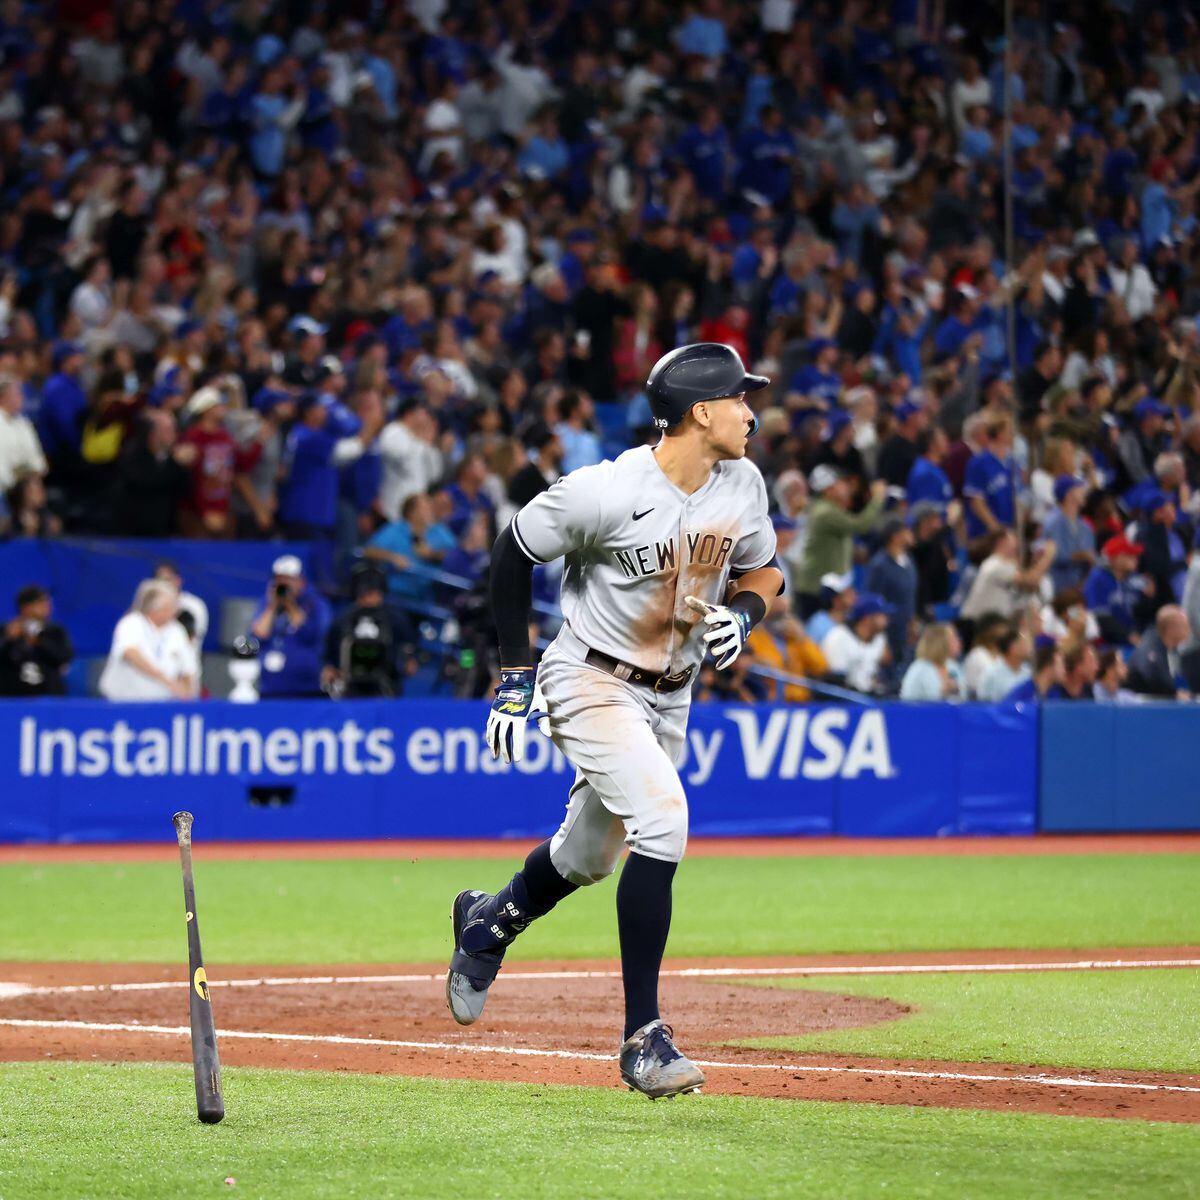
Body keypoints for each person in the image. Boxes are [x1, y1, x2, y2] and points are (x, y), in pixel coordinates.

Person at [445, 343, 783, 1100]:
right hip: (591, 675)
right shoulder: (607, 489)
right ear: (701, 412)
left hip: (672, 691)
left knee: (590, 856)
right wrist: (512, 674)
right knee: (664, 821)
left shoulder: (743, 483)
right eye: (738, 399)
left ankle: (488, 922)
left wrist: (746, 612)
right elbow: (512, 552)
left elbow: (766, 569)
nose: (750, 412)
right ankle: (644, 1039)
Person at [794, 464, 887, 617]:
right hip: (815, 588)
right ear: (828, 488)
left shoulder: (829, 508)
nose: (846, 487)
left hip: (823, 585)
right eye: (840, 483)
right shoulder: (825, 511)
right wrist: (877, 499)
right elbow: (861, 525)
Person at [98, 579, 198, 701]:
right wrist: (165, 680)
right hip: (124, 702)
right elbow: (131, 653)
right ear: (155, 608)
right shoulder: (131, 623)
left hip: (164, 703)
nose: (175, 611)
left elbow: (188, 667)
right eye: (171, 606)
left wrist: (187, 692)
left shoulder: (177, 630)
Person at [248, 555, 331, 699]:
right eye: (279, 579)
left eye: (288, 579)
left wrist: (290, 605)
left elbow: (311, 634)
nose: (283, 584)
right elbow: (256, 638)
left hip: (307, 688)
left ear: (301, 581)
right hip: (270, 687)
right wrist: (272, 607)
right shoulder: (267, 603)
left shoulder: (314, 604)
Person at [322, 566, 408, 698]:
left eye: (373, 591)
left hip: (386, 683)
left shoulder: (394, 619)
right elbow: (329, 651)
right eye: (364, 592)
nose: (369, 596)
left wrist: (408, 660)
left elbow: (408, 646)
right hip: (349, 684)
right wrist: (329, 667)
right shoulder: (343, 619)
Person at [744, 594, 828, 702]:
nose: (783, 602)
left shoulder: (795, 636)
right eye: (777, 598)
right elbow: (750, 663)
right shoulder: (754, 634)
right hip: (769, 700)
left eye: (784, 597)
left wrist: (802, 638)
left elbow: (820, 667)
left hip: (801, 701)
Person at [960, 530, 1056, 623]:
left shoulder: (1008, 565)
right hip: (975, 624)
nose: (1017, 544)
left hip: (990, 623)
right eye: (1013, 540)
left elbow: (1031, 586)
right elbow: (1031, 580)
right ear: (1001, 542)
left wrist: (1037, 562)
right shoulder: (994, 564)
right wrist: (1048, 556)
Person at [864, 516, 917, 674]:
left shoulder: (909, 562)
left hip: (904, 631)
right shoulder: (879, 566)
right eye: (906, 531)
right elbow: (872, 603)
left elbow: (910, 596)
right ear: (895, 536)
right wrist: (881, 641)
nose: (911, 534)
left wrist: (912, 622)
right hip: (888, 632)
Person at [0, 584, 73, 697]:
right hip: (11, 698)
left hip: (49, 697)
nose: (47, 606)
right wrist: (9, 639)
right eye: (41, 602)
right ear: (25, 607)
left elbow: (64, 656)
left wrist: (39, 642)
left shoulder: (54, 631)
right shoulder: (6, 630)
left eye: (47, 601)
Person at [821, 593, 892, 695]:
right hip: (843, 700)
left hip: (870, 697)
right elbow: (835, 682)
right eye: (881, 615)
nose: (887, 619)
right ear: (867, 619)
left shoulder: (880, 638)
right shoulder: (838, 637)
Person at [1083, 535, 1147, 646]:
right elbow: (1100, 618)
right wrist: (1128, 636)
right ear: (1116, 558)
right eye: (1130, 555)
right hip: (1108, 644)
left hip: (1133, 638)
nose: (1135, 558)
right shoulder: (1098, 578)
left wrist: (1150, 596)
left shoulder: (1133, 579)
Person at [1126, 605, 1197, 699]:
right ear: (1171, 629)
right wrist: (1174, 694)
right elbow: (1150, 671)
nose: (1189, 629)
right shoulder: (1151, 644)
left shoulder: (1167, 647)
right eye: (1184, 625)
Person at [1043, 475, 1096, 592]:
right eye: (1079, 489)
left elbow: (1092, 557)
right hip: (1058, 586)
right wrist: (1083, 555)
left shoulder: (1085, 526)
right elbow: (1053, 555)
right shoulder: (1053, 521)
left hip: (1080, 587)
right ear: (1069, 494)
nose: (1084, 492)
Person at [898, 622, 963, 701]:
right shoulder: (920, 669)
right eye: (953, 638)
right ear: (940, 643)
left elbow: (963, 697)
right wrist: (942, 693)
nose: (958, 641)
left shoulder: (953, 666)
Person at [976, 628, 1032, 702]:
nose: (1029, 648)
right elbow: (983, 703)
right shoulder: (991, 674)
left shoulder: (1029, 673)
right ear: (1012, 647)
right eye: (1024, 644)